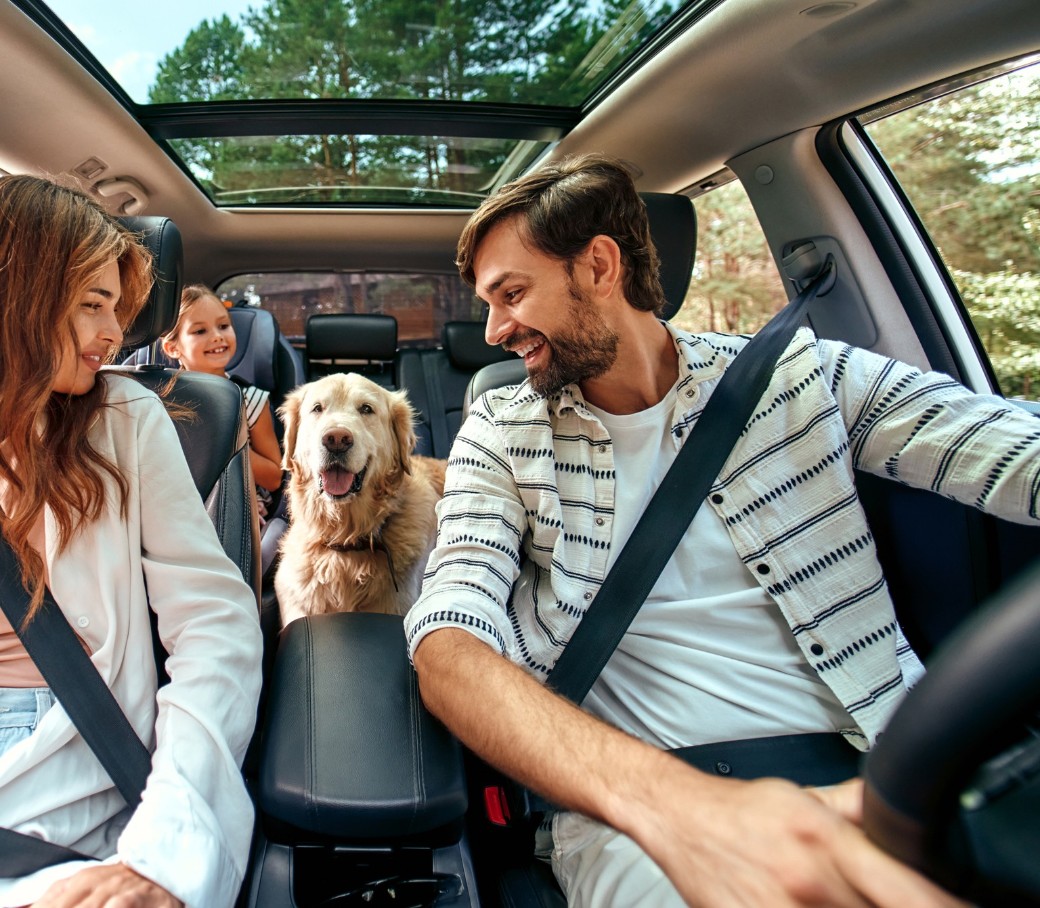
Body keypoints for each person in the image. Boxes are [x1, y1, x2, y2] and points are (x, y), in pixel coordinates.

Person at [405, 154, 1040, 907]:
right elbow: (449, 642)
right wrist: (687, 813)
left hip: (892, 771)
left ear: (599, 266)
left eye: (511, 294)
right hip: (644, 809)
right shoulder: (500, 430)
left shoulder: (801, 376)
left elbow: (1001, 446)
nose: (495, 329)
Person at [0, 175, 263, 907]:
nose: (115, 334)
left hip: (49, 777)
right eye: (92, 305)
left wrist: (165, 850)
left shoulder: (124, 419)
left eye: (116, 308)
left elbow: (215, 625)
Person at [160, 286, 283, 521]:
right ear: (173, 347)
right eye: (200, 331)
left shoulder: (252, 401)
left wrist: (224, 444)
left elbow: (274, 478)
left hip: (237, 505)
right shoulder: (161, 401)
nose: (217, 336)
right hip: (175, 504)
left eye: (223, 326)